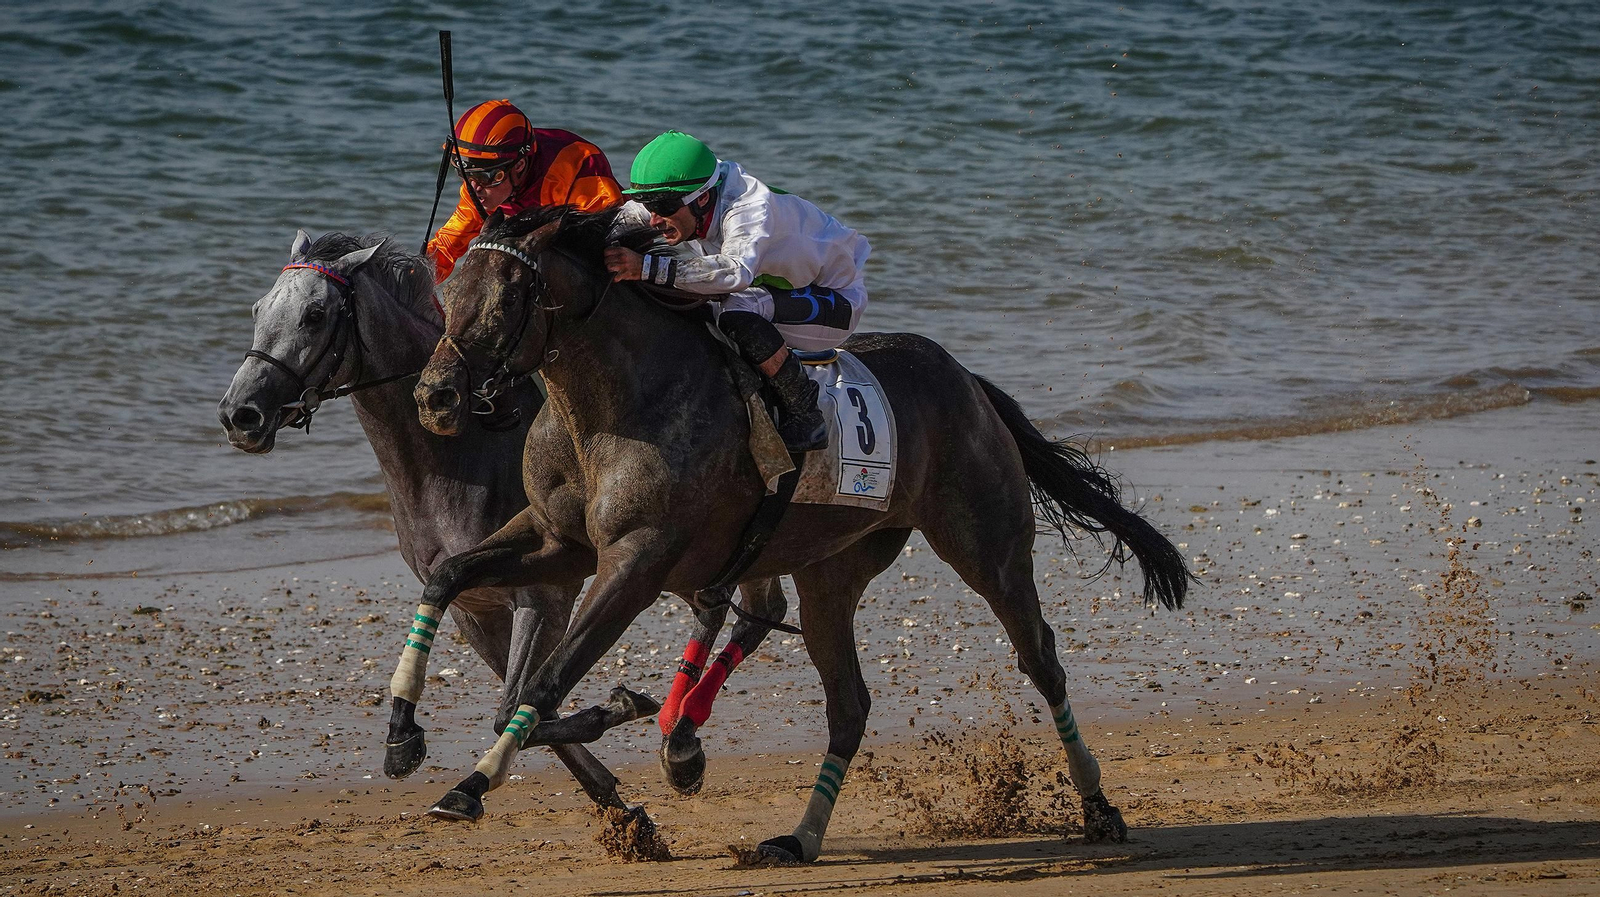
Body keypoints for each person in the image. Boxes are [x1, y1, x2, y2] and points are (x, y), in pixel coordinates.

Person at [603, 131, 871, 453]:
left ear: (702, 198)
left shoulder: (750, 210)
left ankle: (805, 413)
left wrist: (645, 267)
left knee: (735, 310)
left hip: (835, 299)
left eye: (663, 207)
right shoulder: (686, 194)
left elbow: (734, 273)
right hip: (774, 288)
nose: (655, 218)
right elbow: (615, 221)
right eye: (649, 205)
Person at [427, 99, 622, 282]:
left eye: (485, 176)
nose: (474, 188)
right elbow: (446, 247)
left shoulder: (576, 169)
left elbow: (611, 246)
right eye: (465, 175)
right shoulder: (481, 186)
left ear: (519, 165)